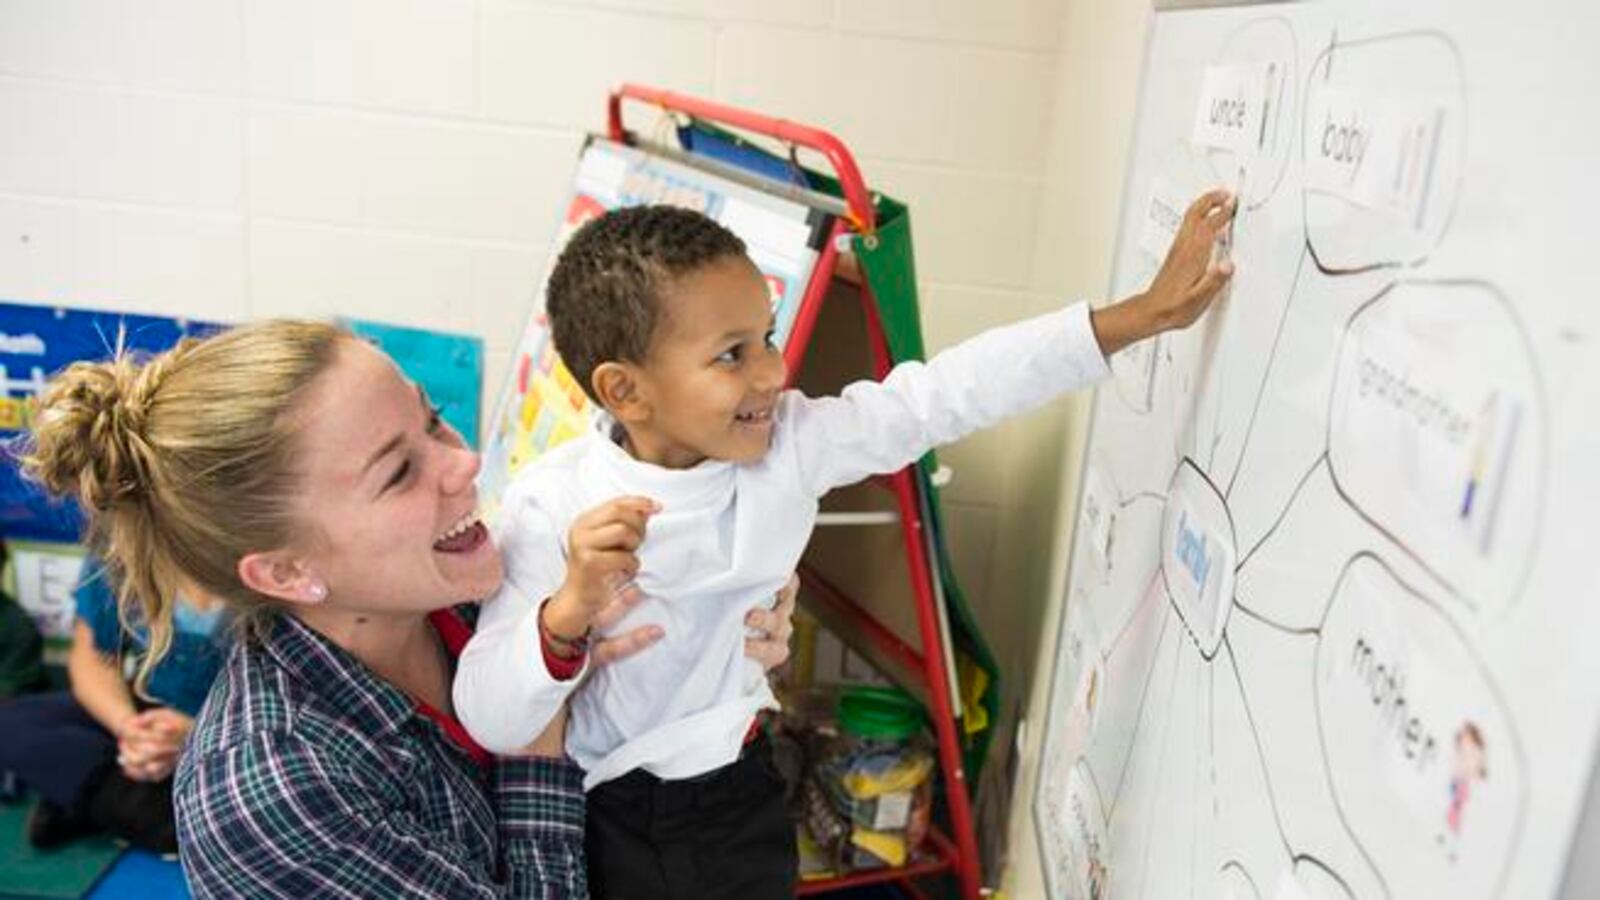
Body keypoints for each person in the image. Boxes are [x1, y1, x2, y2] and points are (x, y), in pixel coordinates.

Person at [453, 192, 1237, 898]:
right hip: (616, 819)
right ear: (626, 390)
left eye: (765, 337)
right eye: (732, 355)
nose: (771, 373)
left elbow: (940, 396)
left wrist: (1136, 318)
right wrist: (565, 616)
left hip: (742, 790)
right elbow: (490, 713)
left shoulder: (788, 444)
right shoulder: (552, 502)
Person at [20, 320, 797, 898]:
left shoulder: (479, 579)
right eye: (399, 473)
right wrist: (538, 731)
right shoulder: (274, 791)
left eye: (430, 421)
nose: (463, 463)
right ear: (289, 571)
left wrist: (726, 631)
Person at [0, 556, 226, 852]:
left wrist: (197, 732)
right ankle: (154, 813)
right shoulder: (115, 546)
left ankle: (101, 802)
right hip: (150, 712)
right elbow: (95, 660)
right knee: (13, 723)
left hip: (243, 725)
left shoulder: (274, 542)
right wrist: (129, 729)